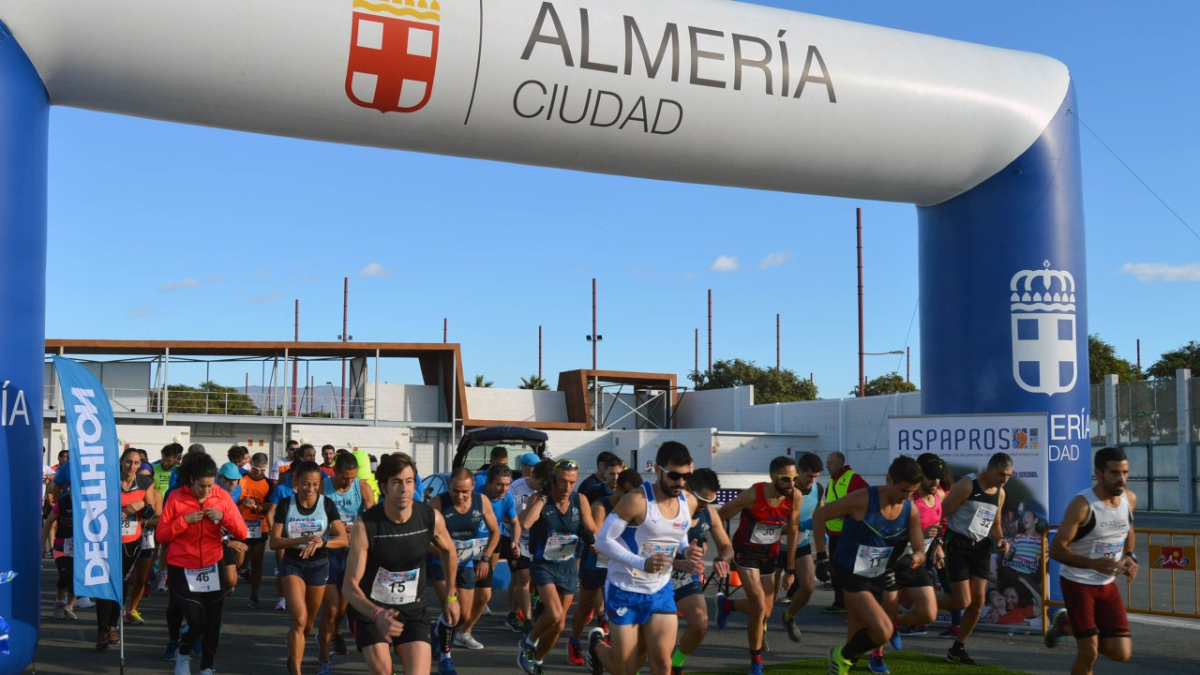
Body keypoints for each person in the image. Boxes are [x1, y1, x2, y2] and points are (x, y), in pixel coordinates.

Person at [586, 441, 704, 675]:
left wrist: (687, 550)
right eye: (673, 476)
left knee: (662, 663)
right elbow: (602, 541)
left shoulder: (688, 501)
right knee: (625, 669)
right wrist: (642, 563)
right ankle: (597, 646)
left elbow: (676, 533)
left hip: (659, 590)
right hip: (624, 588)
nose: (680, 482)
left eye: (686, 476)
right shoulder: (636, 501)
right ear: (658, 470)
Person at [342, 452, 461, 675]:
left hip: (412, 609)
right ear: (384, 487)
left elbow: (449, 550)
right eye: (397, 482)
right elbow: (349, 586)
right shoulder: (366, 525)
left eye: (409, 481)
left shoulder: (430, 517)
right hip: (372, 611)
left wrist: (451, 596)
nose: (404, 489)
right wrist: (377, 614)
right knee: (383, 671)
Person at [814, 456, 928, 675]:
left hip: (877, 574)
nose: (906, 497)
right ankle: (841, 655)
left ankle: (842, 664)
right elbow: (820, 515)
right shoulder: (863, 499)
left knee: (858, 632)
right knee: (883, 630)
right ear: (889, 480)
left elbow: (921, 551)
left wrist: (913, 559)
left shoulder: (910, 509)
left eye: (912, 491)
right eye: (903, 490)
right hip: (849, 572)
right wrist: (821, 556)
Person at [1045, 446, 1138, 675]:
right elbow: (1056, 550)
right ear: (1099, 473)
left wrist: (1129, 557)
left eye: (1125, 473)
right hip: (1078, 583)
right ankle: (1077, 629)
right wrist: (1092, 563)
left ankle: (1066, 625)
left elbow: (1129, 530)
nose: (1122, 479)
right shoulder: (1083, 505)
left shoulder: (1129, 499)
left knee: (1121, 652)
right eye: (1115, 473)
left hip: (1107, 584)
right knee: (1089, 653)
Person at [158, 451, 248, 675]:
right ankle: (183, 653)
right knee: (197, 621)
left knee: (213, 622)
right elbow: (161, 535)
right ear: (191, 480)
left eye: (210, 486)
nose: (207, 491)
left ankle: (207, 667)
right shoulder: (176, 497)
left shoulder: (222, 497)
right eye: (202, 486)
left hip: (212, 563)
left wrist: (222, 516)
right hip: (181, 565)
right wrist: (183, 521)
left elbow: (242, 532)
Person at [715, 455, 802, 675]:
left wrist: (790, 571)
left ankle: (727, 606)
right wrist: (724, 549)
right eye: (785, 479)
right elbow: (719, 516)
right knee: (759, 606)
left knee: (765, 611)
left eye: (794, 478)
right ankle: (756, 660)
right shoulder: (753, 494)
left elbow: (792, 532)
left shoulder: (795, 496)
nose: (791, 484)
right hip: (746, 553)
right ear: (773, 477)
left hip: (769, 554)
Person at [517, 459, 599, 675]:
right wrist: (543, 497)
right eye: (562, 481)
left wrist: (588, 534)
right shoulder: (540, 498)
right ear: (553, 480)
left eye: (572, 482)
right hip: (544, 564)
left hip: (569, 565)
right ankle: (528, 641)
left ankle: (538, 660)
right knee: (553, 614)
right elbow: (525, 523)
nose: (567, 487)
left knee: (559, 625)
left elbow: (594, 532)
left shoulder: (580, 500)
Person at [270, 460, 349, 675]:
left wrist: (322, 542)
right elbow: (274, 542)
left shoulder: (326, 504)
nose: (310, 489)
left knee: (308, 624)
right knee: (299, 619)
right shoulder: (287, 505)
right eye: (306, 484)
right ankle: (296, 670)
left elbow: (343, 539)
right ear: (296, 481)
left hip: (319, 565)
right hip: (293, 565)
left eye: (315, 485)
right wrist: (297, 541)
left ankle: (295, 652)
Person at [938, 452, 1013, 666]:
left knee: (978, 602)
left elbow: (996, 525)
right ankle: (923, 605)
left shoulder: (1000, 493)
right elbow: (941, 513)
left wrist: (1000, 540)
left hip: (981, 547)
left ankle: (957, 648)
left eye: (1008, 475)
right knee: (961, 600)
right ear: (989, 469)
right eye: (1001, 474)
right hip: (958, 544)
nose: (1004, 479)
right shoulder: (968, 484)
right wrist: (936, 543)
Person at [567, 468, 641, 665]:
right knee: (585, 606)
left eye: (635, 494)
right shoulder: (601, 506)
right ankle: (574, 641)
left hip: (619, 566)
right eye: (627, 493)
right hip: (596, 564)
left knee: (619, 607)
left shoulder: (639, 508)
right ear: (617, 488)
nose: (631, 498)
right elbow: (598, 544)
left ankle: (608, 645)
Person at [429, 468, 499, 675]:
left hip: (467, 562)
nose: (459, 496)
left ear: (473, 488)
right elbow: (423, 540)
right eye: (455, 491)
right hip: (440, 563)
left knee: (464, 615)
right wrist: (447, 552)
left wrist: (485, 557)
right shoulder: (437, 504)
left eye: (464, 492)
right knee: (452, 613)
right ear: (449, 487)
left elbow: (495, 531)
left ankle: (436, 628)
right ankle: (445, 658)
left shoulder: (481, 501)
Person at [92, 448, 161, 649]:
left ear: (141, 464)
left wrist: (140, 505)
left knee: (121, 585)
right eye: (129, 462)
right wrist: (113, 512)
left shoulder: (145, 483)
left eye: (136, 463)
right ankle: (102, 630)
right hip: (108, 541)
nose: (132, 466)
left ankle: (112, 626)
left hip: (132, 542)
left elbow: (151, 514)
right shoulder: (109, 481)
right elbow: (95, 508)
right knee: (107, 585)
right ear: (121, 462)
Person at [670, 468, 733, 675]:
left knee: (700, 624)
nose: (705, 505)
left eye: (710, 500)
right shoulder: (668, 510)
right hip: (657, 577)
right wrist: (678, 562)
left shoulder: (709, 513)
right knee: (653, 637)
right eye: (701, 499)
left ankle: (676, 664)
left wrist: (721, 559)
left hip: (684, 579)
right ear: (687, 489)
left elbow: (727, 546)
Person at [319, 452, 376, 665]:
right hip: (329, 550)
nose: (349, 481)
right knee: (332, 607)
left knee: (343, 608)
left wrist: (359, 527)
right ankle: (324, 653)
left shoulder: (362, 488)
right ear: (335, 471)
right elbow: (314, 517)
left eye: (352, 477)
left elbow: (374, 519)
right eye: (345, 477)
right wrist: (337, 529)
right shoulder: (324, 487)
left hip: (352, 551)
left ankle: (336, 633)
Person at [459, 464, 518, 648]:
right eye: (500, 485)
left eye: (508, 484)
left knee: (484, 596)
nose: (504, 489)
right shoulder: (474, 494)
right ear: (489, 483)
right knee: (462, 601)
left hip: (489, 545)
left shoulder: (507, 497)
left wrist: (515, 541)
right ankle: (446, 628)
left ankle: (464, 632)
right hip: (465, 546)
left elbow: (515, 522)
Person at [895, 453, 948, 638]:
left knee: (928, 611)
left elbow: (941, 523)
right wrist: (919, 535)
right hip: (898, 557)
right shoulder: (910, 499)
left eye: (938, 477)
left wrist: (938, 545)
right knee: (885, 602)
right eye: (931, 477)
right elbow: (894, 530)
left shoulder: (939, 495)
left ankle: (895, 623)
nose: (935, 481)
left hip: (918, 557)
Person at [779, 452, 825, 644]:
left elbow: (820, 518)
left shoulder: (818, 489)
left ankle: (789, 617)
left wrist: (823, 556)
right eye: (808, 476)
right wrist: (796, 526)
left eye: (816, 477)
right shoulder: (782, 489)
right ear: (798, 471)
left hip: (801, 545)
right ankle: (760, 633)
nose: (811, 481)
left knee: (808, 588)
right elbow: (769, 525)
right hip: (776, 546)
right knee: (765, 600)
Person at [122, 449, 165, 627]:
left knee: (141, 578)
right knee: (124, 576)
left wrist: (142, 519)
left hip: (146, 537)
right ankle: (120, 609)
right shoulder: (126, 487)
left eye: (146, 475)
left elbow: (158, 517)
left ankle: (132, 609)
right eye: (141, 475)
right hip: (125, 536)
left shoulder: (155, 494)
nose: (142, 477)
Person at [823, 451, 869, 614]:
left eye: (831, 463)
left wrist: (849, 513)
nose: (827, 465)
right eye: (827, 462)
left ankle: (845, 602)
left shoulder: (852, 478)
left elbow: (867, 496)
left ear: (840, 464)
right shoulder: (832, 480)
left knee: (844, 569)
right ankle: (841, 601)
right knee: (836, 569)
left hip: (848, 534)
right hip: (834, 533)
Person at [506, 459, 547, 633]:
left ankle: (514, 613)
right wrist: (521, 518)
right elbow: (506, 515)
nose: (541, 486)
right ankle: (527, 619)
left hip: (537, 540)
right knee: (522, 578)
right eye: (540, 482)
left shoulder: (546, 493)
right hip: (516, 536)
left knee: (524, 581)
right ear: (534, 475)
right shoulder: (516, 488)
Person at [236, 452, 274, 609]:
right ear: (250, 465)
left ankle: (254, 594)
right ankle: (229, 582)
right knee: (238, 560)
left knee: (257, 562)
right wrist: (243, 501)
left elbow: (268, 510)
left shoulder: (269, 484)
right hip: (241, 524)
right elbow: (232, 500)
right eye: (255, 469)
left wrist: (257, 507)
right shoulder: (241, 479)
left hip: (259, 526)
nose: (258, 472)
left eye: (262, 470)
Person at [43, 489, 78, 620]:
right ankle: (59, 601)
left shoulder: (88, 504)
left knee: (77, 579)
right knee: (65, 575)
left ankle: (69, 606)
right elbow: (48, 523)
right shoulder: (63, 503)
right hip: (62, 546)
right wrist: (43, 545)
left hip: (81, 548)